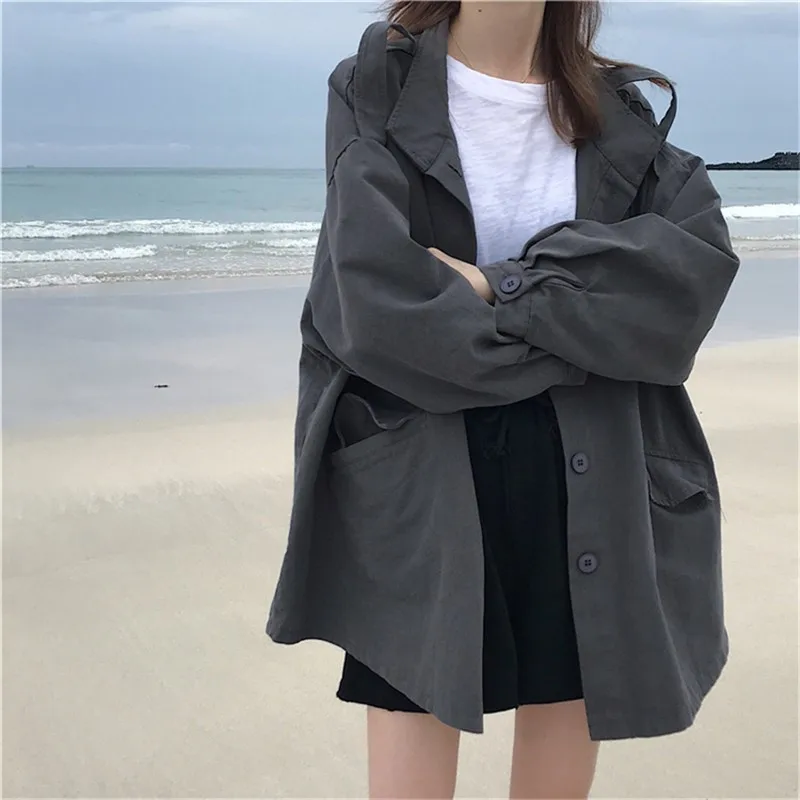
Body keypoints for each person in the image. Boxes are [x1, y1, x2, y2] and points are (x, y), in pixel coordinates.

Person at [267, 2, 740, 797]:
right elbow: (373, 304)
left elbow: (685, 283)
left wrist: (500, 286)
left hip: (590, 478)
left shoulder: (617, 111)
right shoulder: (376, 87)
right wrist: (581, 338)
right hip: (421, 478)